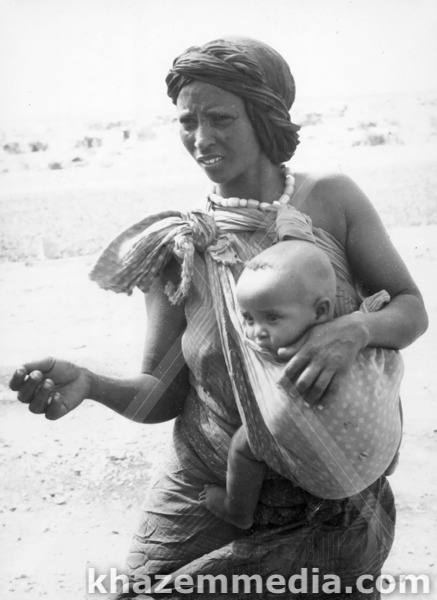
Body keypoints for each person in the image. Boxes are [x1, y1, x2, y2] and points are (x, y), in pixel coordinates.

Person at [9, 37, 428, 599]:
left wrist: (355, 329)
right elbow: (159, 394)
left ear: (265, 116)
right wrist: (90, 384)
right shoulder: (177, 245)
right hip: (207, 486)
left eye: (220, 118)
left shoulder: (330, 200)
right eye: (187, 121)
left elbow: (410, 308)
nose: (202, 139)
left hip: (330, 494)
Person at [199, 239, 403, 529]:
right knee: (387, 373)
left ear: (321, 311)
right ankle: (394, 457)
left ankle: (237, 510)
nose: (257, 333)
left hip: (326, 484)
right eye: (247, 318)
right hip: (377, 457)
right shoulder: (345, 330)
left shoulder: (277, 357)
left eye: (272, 318)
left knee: (244, 445)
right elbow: (380, 305)